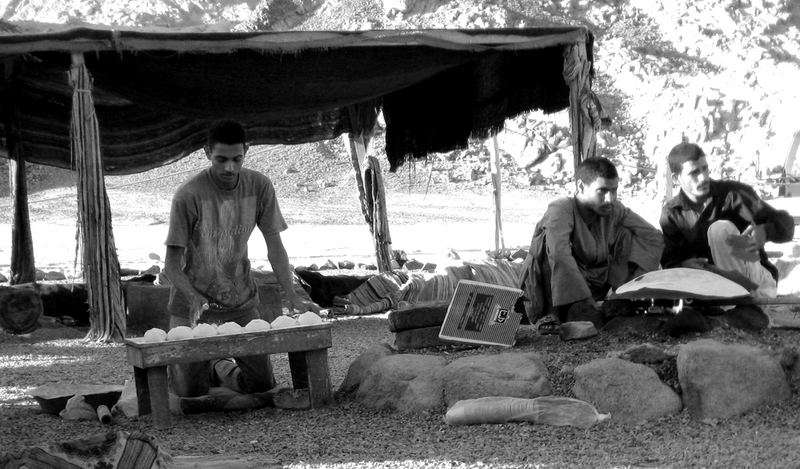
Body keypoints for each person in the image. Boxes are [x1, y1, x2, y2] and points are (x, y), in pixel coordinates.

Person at [163, 120, 312, 398]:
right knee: (190, 392)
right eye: (221, 159)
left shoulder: (260, 186)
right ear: (207, 152)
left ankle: (220, 367)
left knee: (260, 386)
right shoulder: (188, 195)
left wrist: (291, 294)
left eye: (236, 159)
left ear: (246, 151)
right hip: (192, 306)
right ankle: (195, 370)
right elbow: (171, 265)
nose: (229, 168)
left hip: (240, 301)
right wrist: (193, 298)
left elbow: (275, 247)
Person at [518, 157, 664, 330]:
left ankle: (621, 299)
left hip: (595, 284)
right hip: (552, 290)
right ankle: (553, 316)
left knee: (628, 234)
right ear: (580, 187)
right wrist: (584, 299)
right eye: (602, 191)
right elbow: (559, 254)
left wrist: (633, 286)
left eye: (614, 190)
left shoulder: (614, 209)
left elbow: (653, 237)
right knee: (548, 244)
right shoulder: (561, 209)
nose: (610, 199)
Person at [660, 142, 795, 298]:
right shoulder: (671, 214)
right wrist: (684, 266)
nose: (703, 177)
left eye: (705, 168)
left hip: (755, 284)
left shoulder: (733, 194)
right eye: (694, 172)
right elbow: (669, 262)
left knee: (719, 229)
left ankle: (742, 300)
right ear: (676, 178)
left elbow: (787, 227)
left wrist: (764, 232)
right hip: (711, 287)